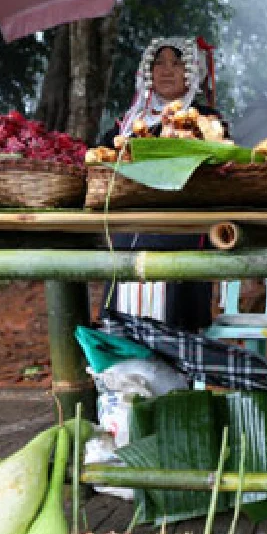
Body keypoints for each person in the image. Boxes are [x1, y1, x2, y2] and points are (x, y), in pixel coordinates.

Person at [100, 37, 224, 333]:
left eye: (177, 63)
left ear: (192, 72)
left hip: (182, 231)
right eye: (159, 63)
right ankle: (125, 374)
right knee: (124, 320)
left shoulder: (206, 121)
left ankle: (176, 374)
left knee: (176, 325)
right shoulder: (125, 126)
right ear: (147, 72)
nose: (166, 70)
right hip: (130, 232)